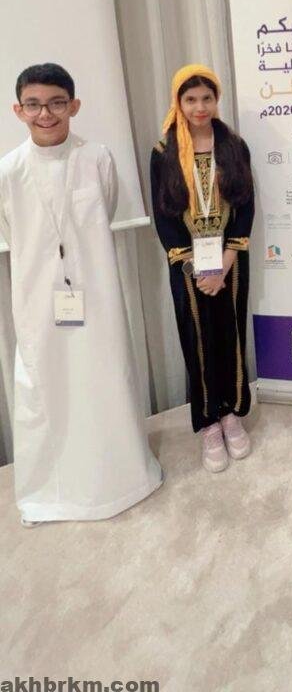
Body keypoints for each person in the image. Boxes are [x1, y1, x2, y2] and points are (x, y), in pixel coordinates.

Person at [0, 63, 162, 526]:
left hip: (96, 289)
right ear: (18, 110)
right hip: (37, 298)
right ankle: (52, 491)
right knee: (47, 384)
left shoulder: (97, 158)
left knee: (103, 374)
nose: (45, 113)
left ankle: (119, 478)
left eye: (56, 103)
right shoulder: (8, 171)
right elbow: (11, 230)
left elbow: (103, 210)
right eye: (34, 104)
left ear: (73, 106)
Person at [150, 65, 254, 473]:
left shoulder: (234, 146)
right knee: (197, 340)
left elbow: (245, 205)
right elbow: (164, 215)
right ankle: (209, 422)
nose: (199, 107)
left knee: (230, 334)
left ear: (217, 100)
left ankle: (232, 414)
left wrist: (223, 264)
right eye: (190, 99)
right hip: (187, 264)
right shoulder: (163, 151)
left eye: (206, 98)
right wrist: (197, 267)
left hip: (230, 260)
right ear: (178, 102)